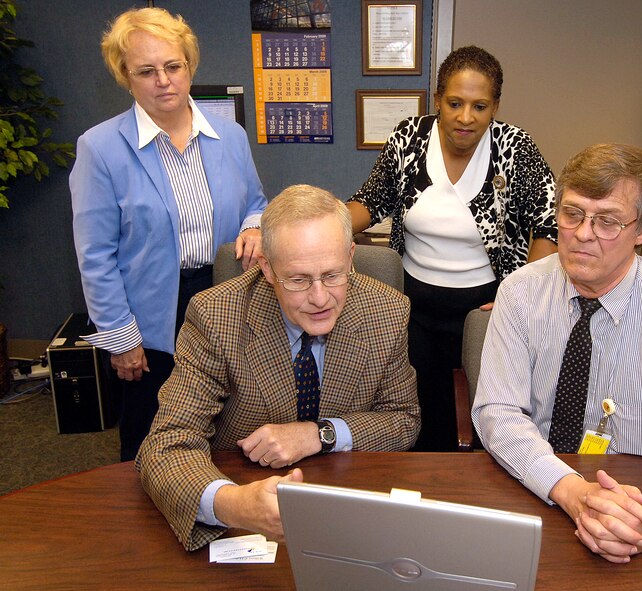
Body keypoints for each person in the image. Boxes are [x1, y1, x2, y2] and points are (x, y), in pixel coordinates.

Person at [472, 144, 642, 563]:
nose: (583, 234)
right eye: (572, 213)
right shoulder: (520, 292)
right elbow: (499, 413)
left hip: (640, 507)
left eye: (607, 221)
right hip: (535, 489)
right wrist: (572, 491)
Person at [136, 185, 421, 551]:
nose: (320, 298)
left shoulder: (387, 310)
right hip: (244, 502)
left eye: (333, 275)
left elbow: (403, 420)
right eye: (299, 280)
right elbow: (164, 446)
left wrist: (319, 434)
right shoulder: (216, 316)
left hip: (348, 503)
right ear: (267, 269)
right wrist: (234, 504)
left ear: (351, 257)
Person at [70, 7, 267, 461]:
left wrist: (255, 225)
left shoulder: (229, 134)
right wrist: (121, 340)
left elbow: (257, 202)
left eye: (173, 66)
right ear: (126, 76)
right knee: (149, 432)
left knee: (226, 423)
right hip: (149, 313)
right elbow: (95, 255)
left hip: (225, 297)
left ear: (189, 67)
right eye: (146, 71)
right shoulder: (100, 148)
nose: (164, 81)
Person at [347, 46, 557, 451]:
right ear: (438, 98)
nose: (465, 118)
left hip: (485, 309)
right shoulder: (408, 137)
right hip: (413, 303)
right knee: (420, 409)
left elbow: (547, 222)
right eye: (455, 103)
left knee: (487, 411)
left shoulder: (514, 147)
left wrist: (524, 294)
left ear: (495, 105)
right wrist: (322, 224)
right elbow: (370, 202)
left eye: (480, 106)